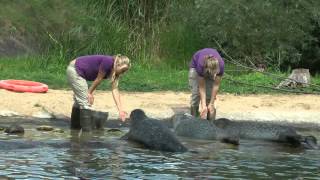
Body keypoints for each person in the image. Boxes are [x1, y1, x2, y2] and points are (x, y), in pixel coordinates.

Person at [66, 54, 130, 131]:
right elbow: (99, 79)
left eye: (124, 71)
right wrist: (89, 93)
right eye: (122, 70)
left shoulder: (115, 72)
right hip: (75, 69)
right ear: (118, 64)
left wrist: (120, 110)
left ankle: (74, 130)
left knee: (79, 101)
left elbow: (115, 90)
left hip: (78, 71)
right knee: (85, 102)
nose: (122, 73)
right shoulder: (108, 61)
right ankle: (87, 134)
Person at [189, 48, 224, 120]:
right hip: (195, 68)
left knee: (209, 95)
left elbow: (216, 85)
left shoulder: (221, 65)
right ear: (207, 70)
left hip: (209, 67)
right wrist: (203, 105)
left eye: (216, 74)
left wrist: (211, 103)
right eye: (213, 74)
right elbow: (201, 87)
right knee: (196, 94)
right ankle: (194, 119)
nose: (214, 76)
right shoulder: (200, 66)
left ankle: (210, 121)